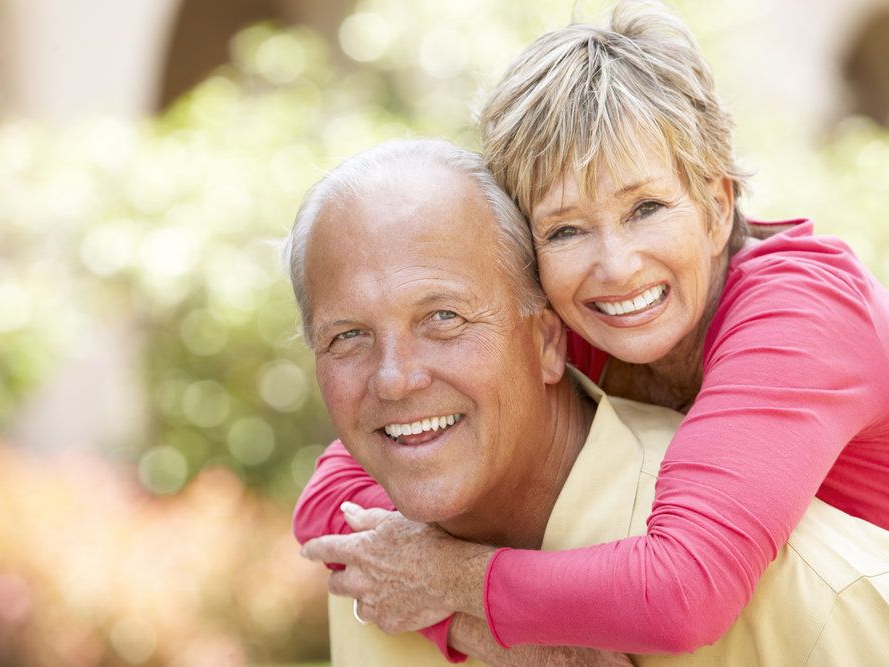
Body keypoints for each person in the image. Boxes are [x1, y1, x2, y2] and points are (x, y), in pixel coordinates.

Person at [292, 0, 889, 658]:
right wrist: (483, 632)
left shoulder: (802, 315)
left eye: (646, 208)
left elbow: (682, 592)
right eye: (566, 228)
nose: (615, 266)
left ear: (717, 207)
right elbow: (334, 495)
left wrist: (455, 580)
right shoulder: (575, 316)